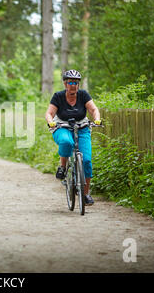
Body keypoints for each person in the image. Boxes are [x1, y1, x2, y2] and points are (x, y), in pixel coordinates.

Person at [45, 69, 101, 206]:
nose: (73, 85)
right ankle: (63, 167)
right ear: (65, 84)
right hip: (62, 127)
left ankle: (86, 193)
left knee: (87, 160)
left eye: (76, 82)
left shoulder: (83, 95)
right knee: (66, 142)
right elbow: (49, 113)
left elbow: (93, 109)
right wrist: (50, 121)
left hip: (82, 128)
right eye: (70, 82)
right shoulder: (58, 96)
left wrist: (97, 119)